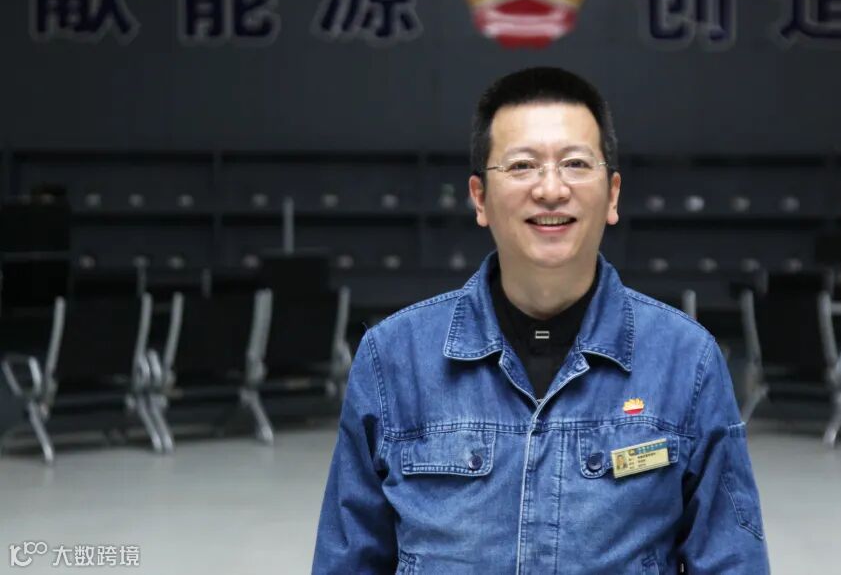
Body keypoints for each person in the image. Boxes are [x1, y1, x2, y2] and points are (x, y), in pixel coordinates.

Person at [313, 67, 769, 573]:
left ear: (612, 195)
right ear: (480, 198)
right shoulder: (393, 359)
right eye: (523, 165)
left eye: (575, 163)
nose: (551, 190)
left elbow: (731, 560)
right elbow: (347, 561)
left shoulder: (687, 361)